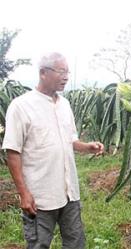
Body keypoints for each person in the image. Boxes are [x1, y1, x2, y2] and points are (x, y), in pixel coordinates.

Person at [2, 52, 104, 249]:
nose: (66, 77)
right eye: (61, 71)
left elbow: (70, 139)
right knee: (39, 245)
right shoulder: (21, 106)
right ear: (43, 73)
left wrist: (86, 147)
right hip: (39, 197)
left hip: (69, 193)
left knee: (75, 244)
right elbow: (12, 152)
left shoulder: (64, 105)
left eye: (67, 72)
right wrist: (23, 193)